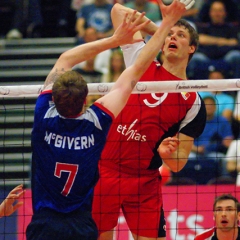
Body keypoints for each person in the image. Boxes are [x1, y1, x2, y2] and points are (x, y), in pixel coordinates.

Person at [25, 6, 185, 239]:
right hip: (81, 223)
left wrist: (113, 39)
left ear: (53, 98)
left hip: (44, 224)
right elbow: (137, 70)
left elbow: (66, 58)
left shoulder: (43, 115)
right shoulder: (96, 123)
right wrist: (168, 23)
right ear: (85, 102)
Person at [92, 1, 206, 240]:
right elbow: (117, 11)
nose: (173, 37)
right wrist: (163, 29)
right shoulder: (140, 60)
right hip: (105, 171)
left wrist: (166, 154)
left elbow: (177, 164)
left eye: (181, 35)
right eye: (171, 35)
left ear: (192, 48)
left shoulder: (194, 101)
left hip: (144, 182)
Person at [187, 0, 240, 80]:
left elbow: (234, 42)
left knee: (236, 55)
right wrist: (223, 41)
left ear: (225, 13)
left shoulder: (231, 27)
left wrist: (210, 40)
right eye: (214, 10)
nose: (217, 13)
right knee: (194, 58)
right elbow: (200, 39)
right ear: (210, 12)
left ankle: (237, 89)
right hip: (206, 57)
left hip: (226, 57)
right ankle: (191, 89)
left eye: (220, 11)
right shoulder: (204, 25)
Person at [189, 96, 233, 177]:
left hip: (214, 153)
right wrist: (196, 149)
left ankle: (225, 181)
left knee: (224, 159)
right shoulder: (193, 121)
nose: (209, 107)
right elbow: (185, 140)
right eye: (206, 105)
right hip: (194, 152)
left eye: (211, 105)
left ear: (215, 107)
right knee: (183, 158)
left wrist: (226, 142)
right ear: (201, 107)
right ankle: (185, 183)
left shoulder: (222, 121)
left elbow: (228, 139)